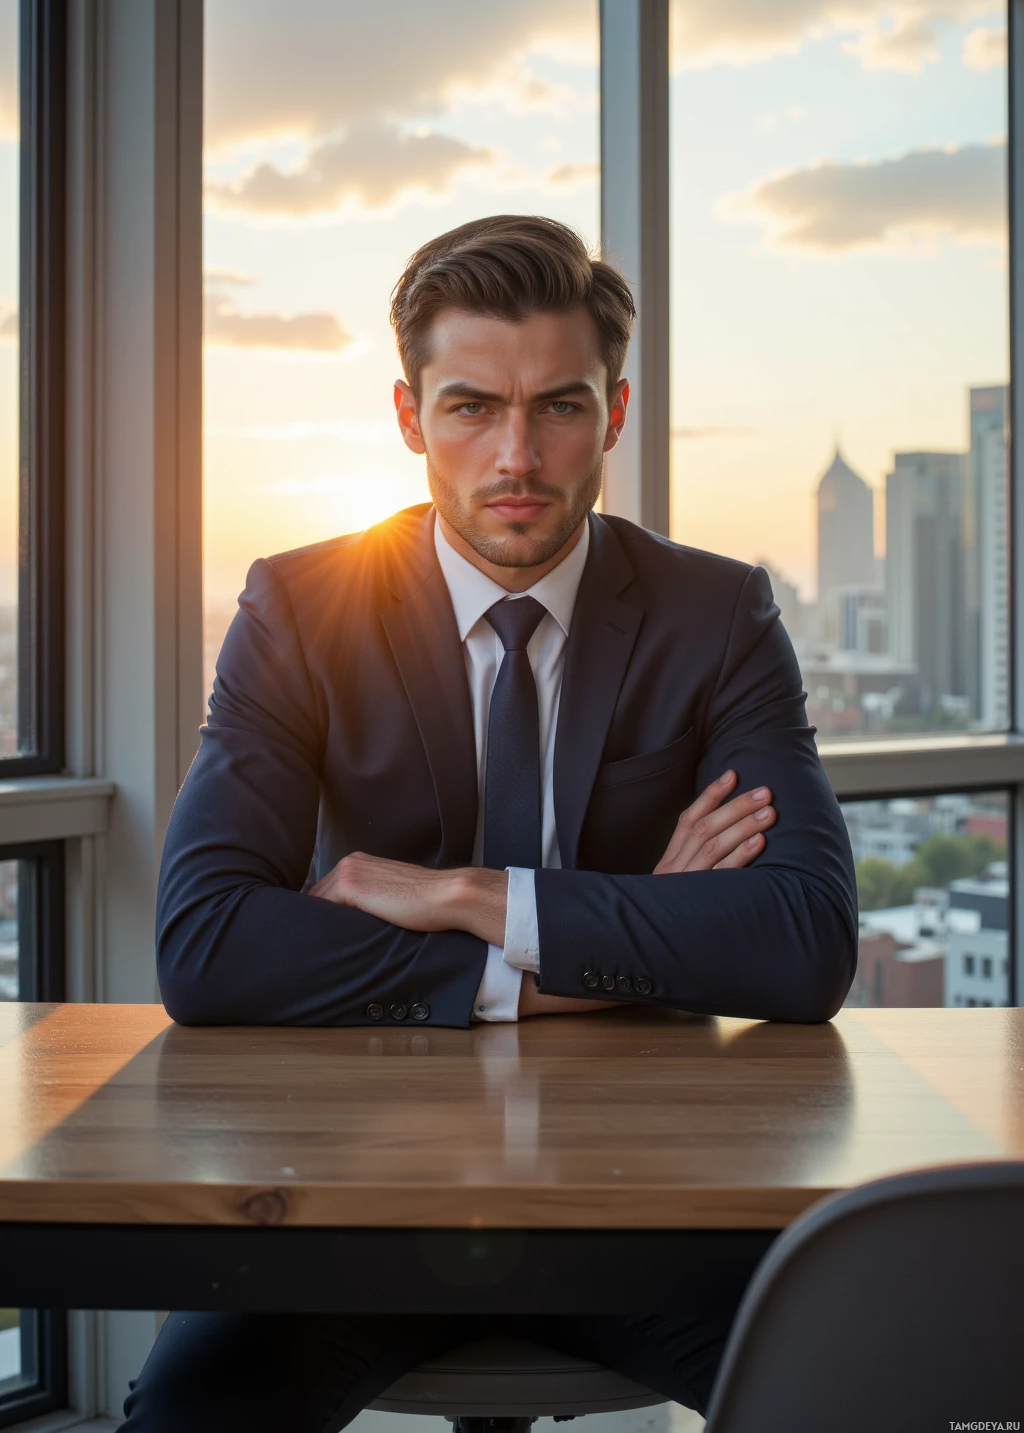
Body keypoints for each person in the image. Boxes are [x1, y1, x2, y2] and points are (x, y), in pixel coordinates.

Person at [121, 215, 857, 1430]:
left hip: (653, 1200)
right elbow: (206, 949)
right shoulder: (301, 607)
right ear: (411, 419)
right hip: (350, 1200)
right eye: (469, 408)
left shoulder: (714, 614)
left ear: (614, 414)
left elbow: (801, 944)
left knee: (878, 1389)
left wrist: (469, 895)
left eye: (559, 407)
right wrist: (618, 954)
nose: (516, 455)